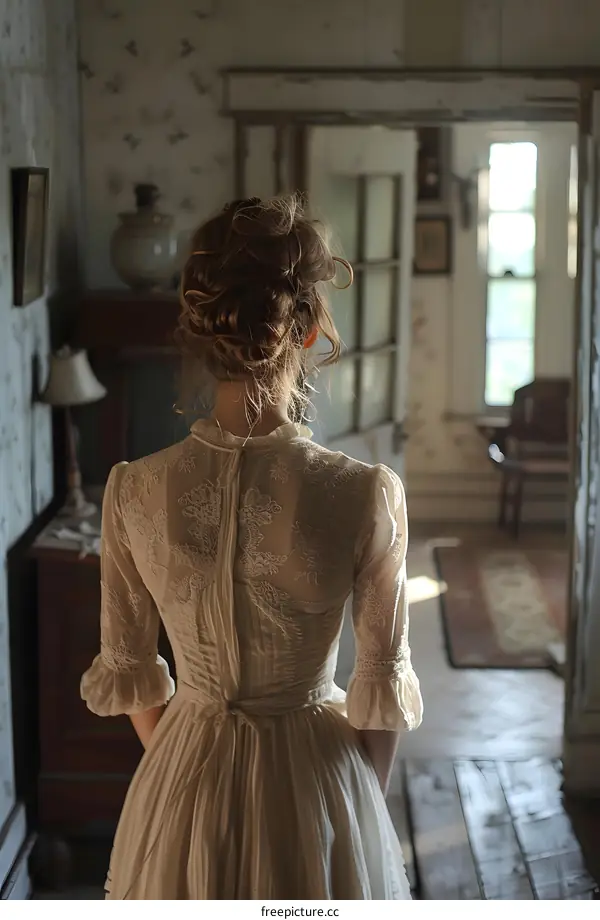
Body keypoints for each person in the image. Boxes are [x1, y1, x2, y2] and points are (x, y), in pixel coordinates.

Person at [80, 195, 423, 900]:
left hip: (181, 774)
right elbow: (381, 691)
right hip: (318, 777)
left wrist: (194, 768)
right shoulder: (363, 492)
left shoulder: (133, 490)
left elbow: (130, 670)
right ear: (307, 330)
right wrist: (356, 808)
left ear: (204, 332)